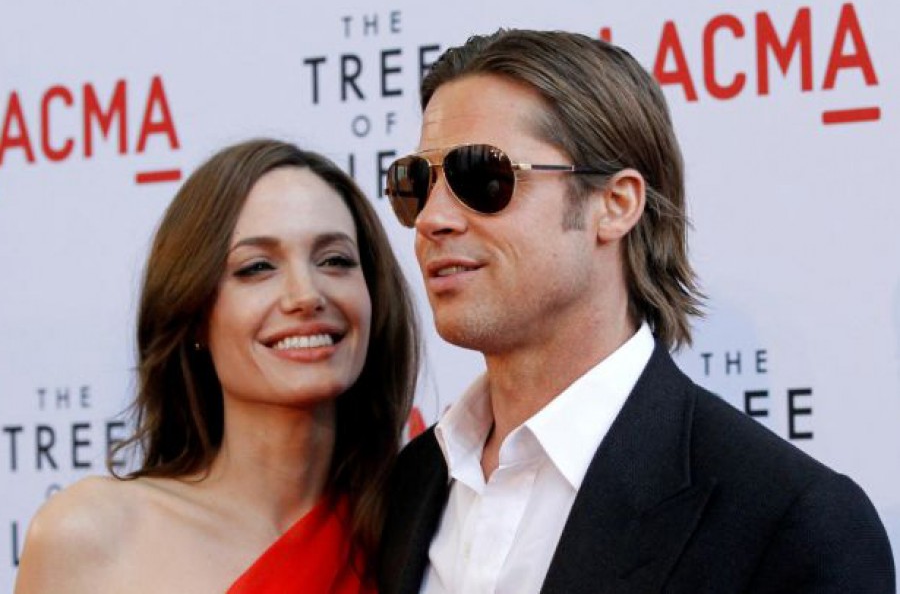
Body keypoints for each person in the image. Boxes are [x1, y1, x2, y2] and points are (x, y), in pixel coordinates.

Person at [378, 29, 895, 593]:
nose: (433, 219)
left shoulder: (790, 524)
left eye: (482, 177)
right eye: (417, 184)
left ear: (616, 204)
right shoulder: (410, 484)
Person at [15, 138, 419, 593]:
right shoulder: (91, 535)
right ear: (194, 315)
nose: (306, 294)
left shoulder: (421, 532)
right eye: (257, 267)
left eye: (336, 260)